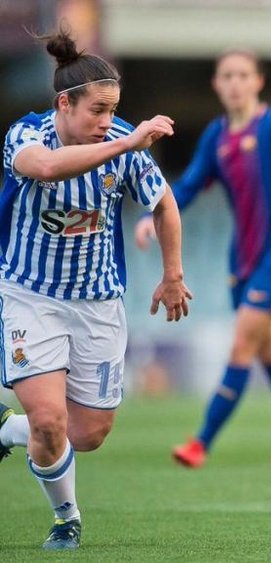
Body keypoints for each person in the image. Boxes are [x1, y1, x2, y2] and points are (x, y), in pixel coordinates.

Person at [0, 29, 192, 550]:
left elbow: (165, 204)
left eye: (114, 111)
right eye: (98, 110)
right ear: (65, 103)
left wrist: (172, 274)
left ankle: (5, 432)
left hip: (98, 302)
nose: (108, 121)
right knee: (49, 419)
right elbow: (41, 169)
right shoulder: (27, 136)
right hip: (29, 296)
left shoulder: (123, 145)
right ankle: (67, 518)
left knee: (87, 435)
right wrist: (127, 142)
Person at [134, 49, 271, 469]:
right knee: (267, 351)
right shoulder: (217, 135)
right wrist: (150, 215)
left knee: (242, 344)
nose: (234, 82)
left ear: (258, 81)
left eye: (242, 75)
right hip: (244, 260)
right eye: (226, 76)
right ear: (217, 84)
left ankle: (201, 441)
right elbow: (192, 184)